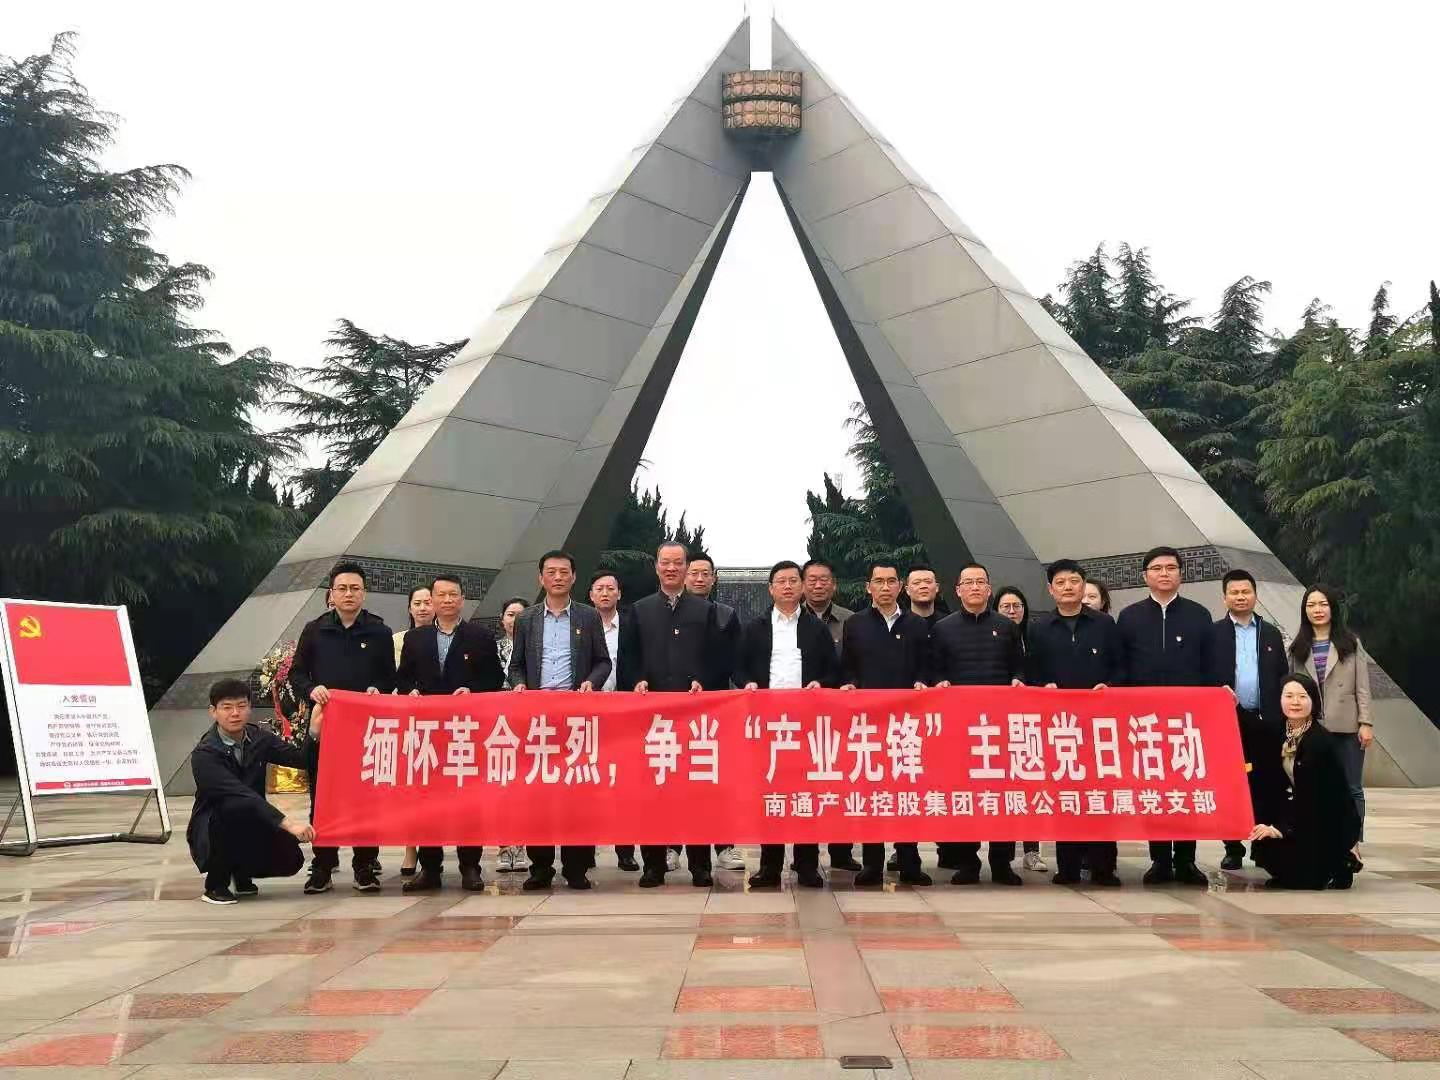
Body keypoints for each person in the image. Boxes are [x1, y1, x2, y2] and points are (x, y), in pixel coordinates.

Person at [618, 541, 724, 887]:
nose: (672, 568)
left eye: (678, 563)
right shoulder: (640, 609)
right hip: (652, 718)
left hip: (694, 716)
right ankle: (653, 865)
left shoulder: (704, 610)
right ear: (657, 567)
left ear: (686, 568)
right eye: (666, 562)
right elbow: (628, 657)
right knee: (652, 792)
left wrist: (704, 680)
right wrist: (636, 681)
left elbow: (717, 658)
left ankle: (700, 865)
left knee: (696, 792)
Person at [288, 561, 395, 894]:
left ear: (364, 593)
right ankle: (322, 865)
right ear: (331, 594)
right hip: (326, 727)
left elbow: (390, 676)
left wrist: (379, 689)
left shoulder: (379, 631)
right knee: (323, 797)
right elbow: (297, 673)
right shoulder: (315, 630)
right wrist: (311, 690)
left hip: (366, 729)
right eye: (342, 588)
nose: (349, 594)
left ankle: (365, 866)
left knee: (366, 797)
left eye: (355, 588)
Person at [508, 550, 612, 891]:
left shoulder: (587, 616)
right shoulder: (527, 619)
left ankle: (576, 867)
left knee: (577, 793)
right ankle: (540, 867)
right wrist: (519, 683)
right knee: (537, 794)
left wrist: (591, 682)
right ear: (541, 578)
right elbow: (516, 665)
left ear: (573, 577)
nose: (557, 577)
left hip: (575, 717)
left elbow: (603, 661)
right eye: (551, 572)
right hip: (537, 719)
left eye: (564, 571)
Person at [395, 574, 505, 892]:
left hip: (466, 731)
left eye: (452, 594)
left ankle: (470, 866)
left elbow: (494, 678)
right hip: (427, 733)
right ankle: (430, 868)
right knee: (427, 800)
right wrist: (411, 691)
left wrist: (471, 690)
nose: (446, 600)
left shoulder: (480, 636)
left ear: (462, 599)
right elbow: (402, 678)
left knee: (468, 800)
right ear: (431, 599)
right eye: (440, 595)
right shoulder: (416, 639)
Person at [1116, 546, 1218, 885]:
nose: (1164, 573)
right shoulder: (1129, 617)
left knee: (1186, 789)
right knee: (1153, 791)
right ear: (1145, 575)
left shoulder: (1199, 615)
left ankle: (1186, 860)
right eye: (1157, 568)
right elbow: (1121, 666)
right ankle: (1159, 860)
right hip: (1144, 721)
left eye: (1171, 567)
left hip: (1187, 721)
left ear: (1180, 574)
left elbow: (1210, 665)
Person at [738, 560, 840, 889]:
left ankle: (807, 865)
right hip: (767, 723)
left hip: (805, 723)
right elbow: (738, 667)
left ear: (802, 587)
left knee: (805, 794)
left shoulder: (815, 628)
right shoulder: (755, 627)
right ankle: (769, 867)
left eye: (793, 580)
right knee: (771, 794)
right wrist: (748, 683)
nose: (787, 586)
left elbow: (832, 670)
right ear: (770, 589)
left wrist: (820, 684)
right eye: (780, 581)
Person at [1028, 559, 1124, 886]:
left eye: (1074, 581)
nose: (1068, 587)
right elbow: (1031, 671)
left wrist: (1110, 686)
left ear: (1084, 586)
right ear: (1050, 589)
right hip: (1059, 726)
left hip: (1099, 726)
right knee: (1066, 795)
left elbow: (1121, 667)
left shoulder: (1105, 624)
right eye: (1061, 582)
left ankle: (1104, 867)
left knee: (1101, 795)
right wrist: (1043, 686)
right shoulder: (1039, 628)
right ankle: (1067, 867)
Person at [930, 563, 1025, 885]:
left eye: (980, 582)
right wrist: (940, 682)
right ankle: (967, 862)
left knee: (1003, 796)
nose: (974, 587)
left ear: (989, 588)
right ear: (957, 590)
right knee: (964, 795)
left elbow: (1019, 667)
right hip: (960, 727)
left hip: (1001, 727)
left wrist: (1018, 679)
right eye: (968, 582)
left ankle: (1002, 862)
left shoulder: (1006, 626)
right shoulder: (943, 628)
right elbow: (935, 669)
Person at [839, 559, 933, 887]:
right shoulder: (856, 624)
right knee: (873, 793)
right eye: (878, 581)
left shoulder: (916, 624)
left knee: (906, 792)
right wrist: (850, 684)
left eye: (891, 581)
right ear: (868, 587)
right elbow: (848, 667)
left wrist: (923, 681)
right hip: (869, 723)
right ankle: (872, 863)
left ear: (900, 586)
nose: (885, 587)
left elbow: (927, 665)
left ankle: (909, 861)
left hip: (907, 723)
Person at [188, 679, 317, 904]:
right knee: (231, 807)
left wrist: (314, 732)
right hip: (212, 829)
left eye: (241, 706)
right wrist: (288, 823)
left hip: (252, 817)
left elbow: (299, 759)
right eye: (227, 707)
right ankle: (216, 883)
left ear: (250, 708)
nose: (235, 713)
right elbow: (239, 794)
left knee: (291, 858)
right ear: (213, 712)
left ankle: (241, 872)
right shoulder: (205, 754)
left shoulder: (259, 739)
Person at [1248, 672, 1362, 889]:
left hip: (1320, 820)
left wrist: (1281, 828)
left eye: (1302, 696)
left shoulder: (1322, 741)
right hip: (1292, 815)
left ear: (1313, 701)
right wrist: (1231, 702)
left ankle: (1341, 861)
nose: (1295, 702)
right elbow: (1249, 727)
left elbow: (1318, 797)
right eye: (1289, 696)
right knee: (1270, 853)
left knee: (1306, 881)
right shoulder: (1276, 732)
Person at [1211, 570, 1290, 871]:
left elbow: (1281, 674)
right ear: (1225, 598)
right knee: (1230, 784)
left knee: (1267, 782)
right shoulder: (1214, 633)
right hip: (1228, 721)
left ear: (1255, 595)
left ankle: (1262, 844)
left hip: (1266, 720)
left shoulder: (1270, 633)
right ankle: (1232, 847)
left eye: (1246, 591)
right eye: (1234, 592)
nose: (1240, 597)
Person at [1289, 584, 1372, 872]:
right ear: (1305, 610)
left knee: (1352, 787)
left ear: (1333, 608)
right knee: (1313, 787)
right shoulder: (1297, 647)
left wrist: (1365, 722)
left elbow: (1363, 688)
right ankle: (1319, 840)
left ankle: (1353, 842)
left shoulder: (1351, 643)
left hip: (1347, 726)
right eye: (1311, 605)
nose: (1318, 610)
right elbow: (1292, 689)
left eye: (1323, 604)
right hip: (1312, 729)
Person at [801, 558, 864, 874]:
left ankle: (842, 851)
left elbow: (857, 662)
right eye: (811, 579)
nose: (818, 585)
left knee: (841, 784)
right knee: (804, 785)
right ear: (802, 584)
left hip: (841, 716)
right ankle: (805, 855)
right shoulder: (790, 620)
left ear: (834, 584)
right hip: (800, 718)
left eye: (823, 579)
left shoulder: (851, 621)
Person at [685, 553, 746, 873]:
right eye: (693, 573)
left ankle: (725, 845)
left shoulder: (726, 615)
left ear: (714, 578)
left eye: (705, 573)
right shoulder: (667, 613)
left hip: (717, 710)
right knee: (678, 781)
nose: (699, 579)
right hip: (676, 711)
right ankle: (672, 845)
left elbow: (736, 660)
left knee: (719, 781)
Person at [589, 570, 640, 872]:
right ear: (591, 595)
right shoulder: (582, 624)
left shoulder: (632, 625)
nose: (605, 593)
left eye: (611, 588)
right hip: (589, 715)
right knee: (587, 783)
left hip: (625, 713)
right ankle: (586, 848)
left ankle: (625, 849)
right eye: (599, 589)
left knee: (625, 785)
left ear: (619, 594)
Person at [993, 586, 1046, 874]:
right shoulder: (994, 636)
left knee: (1031, 787)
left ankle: (1032, 851)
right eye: (1006, 606)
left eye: (1017, 606)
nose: (1012, 611)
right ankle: (1002, 854)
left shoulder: (1036, 636)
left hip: (1034, 722)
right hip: (1000, 723)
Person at [393, 585, 435, 879]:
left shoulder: (449, 637)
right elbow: (392, 678)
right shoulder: (397, 640)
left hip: (442, 724)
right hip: (407, 723)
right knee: (411, 789)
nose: (422, 608)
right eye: (417, 603)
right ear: (409, 608)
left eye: (427, 602)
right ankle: (410, 848)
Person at [494, 596, 530, 874]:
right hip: (498, 725)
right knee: (502, 787)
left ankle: (524, 844)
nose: (514, 619)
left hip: (529, 724)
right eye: (510, 614)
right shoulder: (492, 648)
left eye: (520, 614)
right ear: (502, 619)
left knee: (525, 787)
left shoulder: (534, 648)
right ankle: (504, 846)